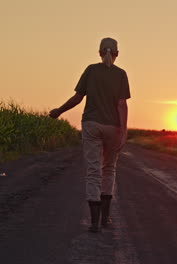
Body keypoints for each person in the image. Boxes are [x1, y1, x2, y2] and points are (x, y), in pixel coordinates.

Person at [49, 38, 130, 233]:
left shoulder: (91, 70)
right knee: (109, 170)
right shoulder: (121, 75)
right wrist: (124, 132)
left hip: (91, 125)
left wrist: (59, 111)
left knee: (94, 171)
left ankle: (94, 223)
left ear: (100, 52)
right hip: (113, 127)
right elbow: (122, 105)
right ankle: (105, 219)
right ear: (117, 54)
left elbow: (78, 98)